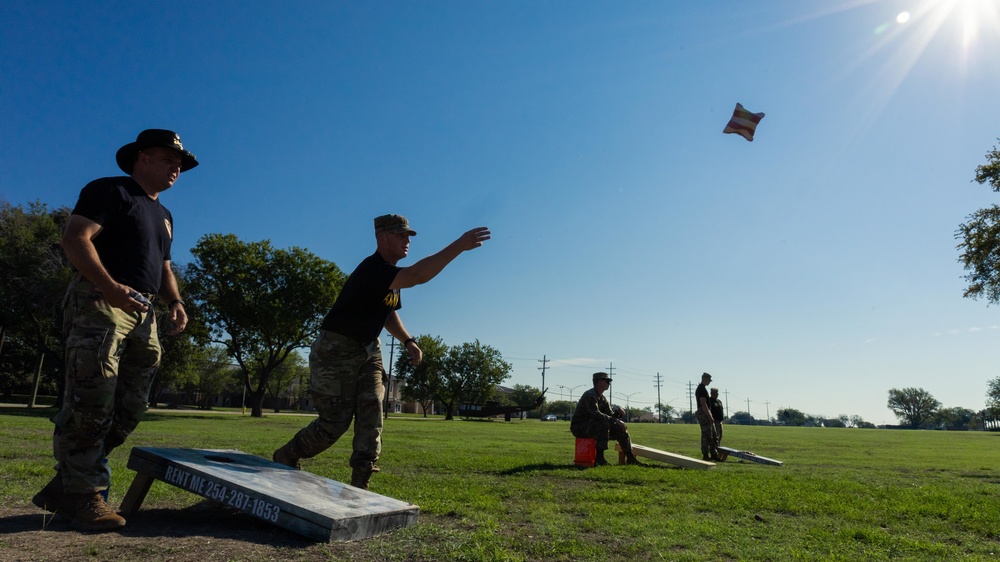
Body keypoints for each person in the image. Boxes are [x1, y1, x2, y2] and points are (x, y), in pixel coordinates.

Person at [32, 129, 196, 531]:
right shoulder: (110, 190)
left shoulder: (165, 215)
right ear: (142, 158)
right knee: (93, 398)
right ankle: (87, 495)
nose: (177, 166)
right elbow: (75, 239)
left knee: (132, 405)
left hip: (145, 309)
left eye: (180, 163)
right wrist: (110, 288)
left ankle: (69, 484)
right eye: (168, 158)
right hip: (100, 300)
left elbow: (163, 267)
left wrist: (175, 302)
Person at [272, 215, 490, 490]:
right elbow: (418, 275)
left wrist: (408, 340)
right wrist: (459, 245)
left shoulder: (390, 275)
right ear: (382, 237)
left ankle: (360, 484)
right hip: (336, 349)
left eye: (409, 235)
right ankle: (286, 456)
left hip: (368, 349)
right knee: (334, 424)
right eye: (401, 235)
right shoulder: (373, 269)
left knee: (372, 412)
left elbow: (387, 314)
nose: (407, 240)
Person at [570, 372, 642, 466]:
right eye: (607, 381)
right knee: (603, 423)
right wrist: (615, 420)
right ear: (599, 382)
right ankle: (599, 458)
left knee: (619, 428)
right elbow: (595, 414)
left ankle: (630, 457)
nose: (609, 384)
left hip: (593, 426)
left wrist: (618, 414)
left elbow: (610, 416)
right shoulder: (590, 395)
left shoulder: (602, 398)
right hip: (579, 427)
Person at [695, 372, 720, 461]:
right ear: (704, 379)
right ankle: (707, 454)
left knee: (710, 435)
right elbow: (703, 404)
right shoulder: (701, 389)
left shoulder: (703, 388)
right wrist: (709, 416)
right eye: (709, 380)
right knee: (707, 435)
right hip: (704, 413)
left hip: (705, 412)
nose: (709, 382)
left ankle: (712, 454)